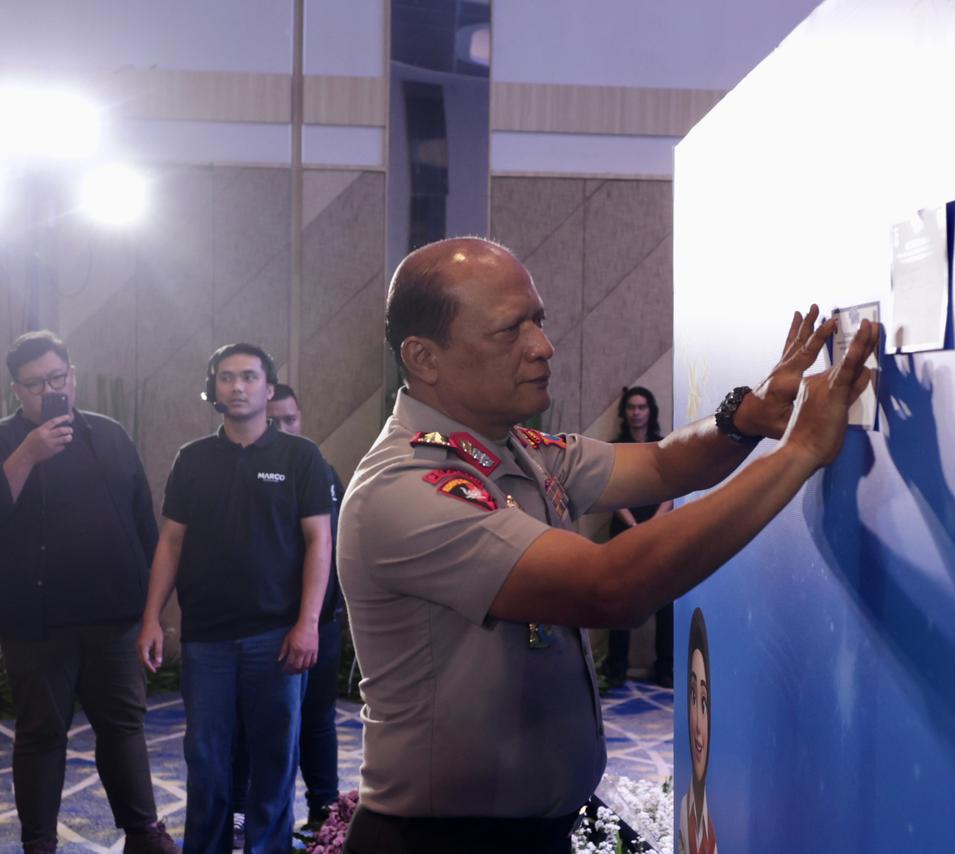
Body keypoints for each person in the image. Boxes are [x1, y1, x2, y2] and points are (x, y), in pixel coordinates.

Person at [338, 237, 877, 854]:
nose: (543, 346)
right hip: (439, 843)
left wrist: (746, 417)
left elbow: (662, 464)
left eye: (539, 321)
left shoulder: (515, 449)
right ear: (424, 358)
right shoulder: (405, 486)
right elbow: (608, 587)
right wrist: (800, 452)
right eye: (510, 330)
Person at [135, 344, 333, 854]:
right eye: (226, 377)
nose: (238, 386)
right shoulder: (193, 458)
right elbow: (171, 542)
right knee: (206, 761)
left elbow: (319, 541)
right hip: (207, 638)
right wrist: (151, 618)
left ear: (269, 388)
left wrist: (308, 622)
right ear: (213, 389)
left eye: (249, 376)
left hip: (277, 636)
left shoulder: (301, 457)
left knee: (274, 760)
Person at [0, 331, 178, 854]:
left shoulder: (109, 434)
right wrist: (27, 455)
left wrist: (153, 612)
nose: (49, 391)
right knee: (41, 733)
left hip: (114, 615)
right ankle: (39, 843)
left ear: (73, 377)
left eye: (57, 378)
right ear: (16, 390)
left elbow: (143, 524)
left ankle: (142, 832)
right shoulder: (7, 440)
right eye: (35, 384)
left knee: (123, 725)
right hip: (35, 621)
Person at [229, 382, 346, 840]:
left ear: (301, 418)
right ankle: (240, 810)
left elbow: (335, 543)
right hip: (260, 621)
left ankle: (323, 811)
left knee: (317, 718)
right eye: (272, 419)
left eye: (289, 419)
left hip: (320, 620)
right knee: (249, 720)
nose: (282, 427)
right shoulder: (239, 471)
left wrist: (319, 617)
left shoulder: (321, 470)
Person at [602, 386, 674, 688]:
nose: (636, 412)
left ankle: (666, 668)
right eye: (631, 407)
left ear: (650, 411)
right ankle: (616, 668)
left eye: (642, 407)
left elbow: (675, 486)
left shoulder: (665, 445)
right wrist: (633, 525)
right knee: (620, 596)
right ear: (625, 412)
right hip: (624, 528)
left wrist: (653, 524)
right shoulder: (613, 448)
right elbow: (608, 490)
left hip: (659, 529)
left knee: (666, 600)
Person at [677, 608, 716, 854]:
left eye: (703, 702)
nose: (699, 726)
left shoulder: (710, 832)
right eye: (692, 696)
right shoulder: (685, 810)